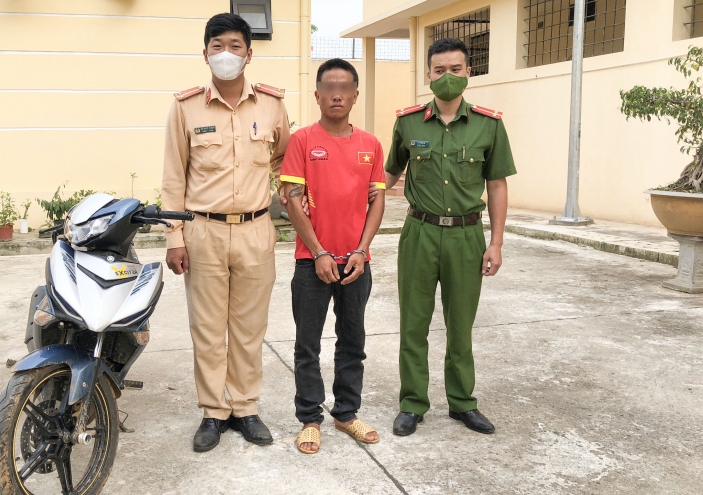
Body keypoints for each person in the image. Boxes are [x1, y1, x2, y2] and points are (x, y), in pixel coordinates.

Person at [160, 13, 290, 453]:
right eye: (217, 46)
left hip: (255, 230)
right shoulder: (186, 107)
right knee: (208, 329)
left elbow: (283, 160)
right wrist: (174, 237)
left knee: (250, 329)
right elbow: (173, 176)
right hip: (203, 232)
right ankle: (214, 411)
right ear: (205, 54)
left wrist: (290, 195)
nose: (226, 54)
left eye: (235, 46)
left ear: (249, 54)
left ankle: (246, 408)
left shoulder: (272, 104)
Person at [384, 38, 516, 436]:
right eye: (439, 70)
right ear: (428, 74)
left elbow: (497, 185)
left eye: (455, 69)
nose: (447, 77)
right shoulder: (408, 122)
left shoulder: (489, 124)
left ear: (468, 72)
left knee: (461, 325)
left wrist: (496, 242)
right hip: (419, 233)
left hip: (466, 236)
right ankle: (412, 403)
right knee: (413, 324)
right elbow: (387, 175)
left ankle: (462, 402)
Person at [281, 58, 386, 454]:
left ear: (356, 95)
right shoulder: (303, 141)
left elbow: (377, 202)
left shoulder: (371, 145)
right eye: (329, 87)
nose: (337, 94)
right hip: (313, 262)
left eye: (344, 88)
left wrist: (361, 250)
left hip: (357, 262)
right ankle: (310, 418)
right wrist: (319, 251)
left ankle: (346, 413)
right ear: (317, 94)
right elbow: (293, 201)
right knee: (307, 345)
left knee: (352, 341)